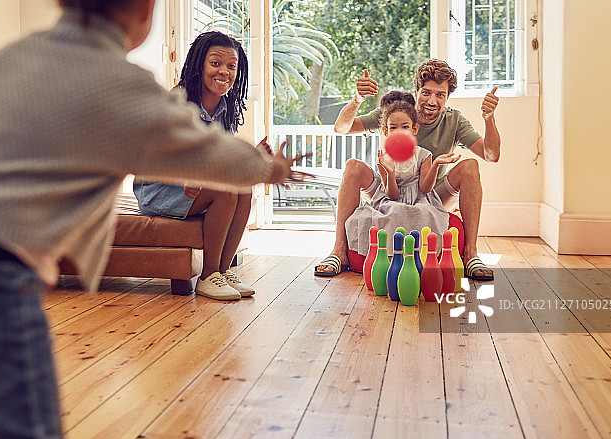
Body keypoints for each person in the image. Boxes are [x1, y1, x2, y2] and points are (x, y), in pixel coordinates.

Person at [0, 0, 304, 439]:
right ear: (145, 5)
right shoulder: (119, 82)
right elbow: (201, 149)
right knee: (29, 427)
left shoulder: (11, 57)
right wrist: (269, 168)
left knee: (6, 407)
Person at [314, 59, 500, 280]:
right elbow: (342, 128)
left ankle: (471, 255)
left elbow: (492, 155)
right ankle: (338, 252)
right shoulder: (396, 113)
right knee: (352, 167)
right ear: (416, 91)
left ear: (447, 97)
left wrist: (489, 119)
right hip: (387, 187)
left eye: (440, 94)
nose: (432, 101)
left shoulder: (454, 121)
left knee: (471, 167)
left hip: (430, 191)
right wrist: (357, 100)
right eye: (426, 93)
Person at [134, 31, 269, 301]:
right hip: (160, 188)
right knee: (225, 190)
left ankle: (222, 271)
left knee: (243, 188)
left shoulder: (226, 106)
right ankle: (208, 276)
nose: (224, 72)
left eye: (232, 66)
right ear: (200, 66)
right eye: (215, 63)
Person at [345, 91, 458, 258]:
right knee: (394, 210)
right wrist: (389, 172)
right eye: (393, 127)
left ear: (414, 129)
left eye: (405, 127)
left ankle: (419, 255)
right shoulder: (385, 157)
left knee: (423, 212)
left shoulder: (424, 154)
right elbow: (392, 195)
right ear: (385, 130)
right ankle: (391, 256)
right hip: (391, 198)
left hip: (419, 198)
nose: (399, 132)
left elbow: (425, 189)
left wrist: (435, 164)